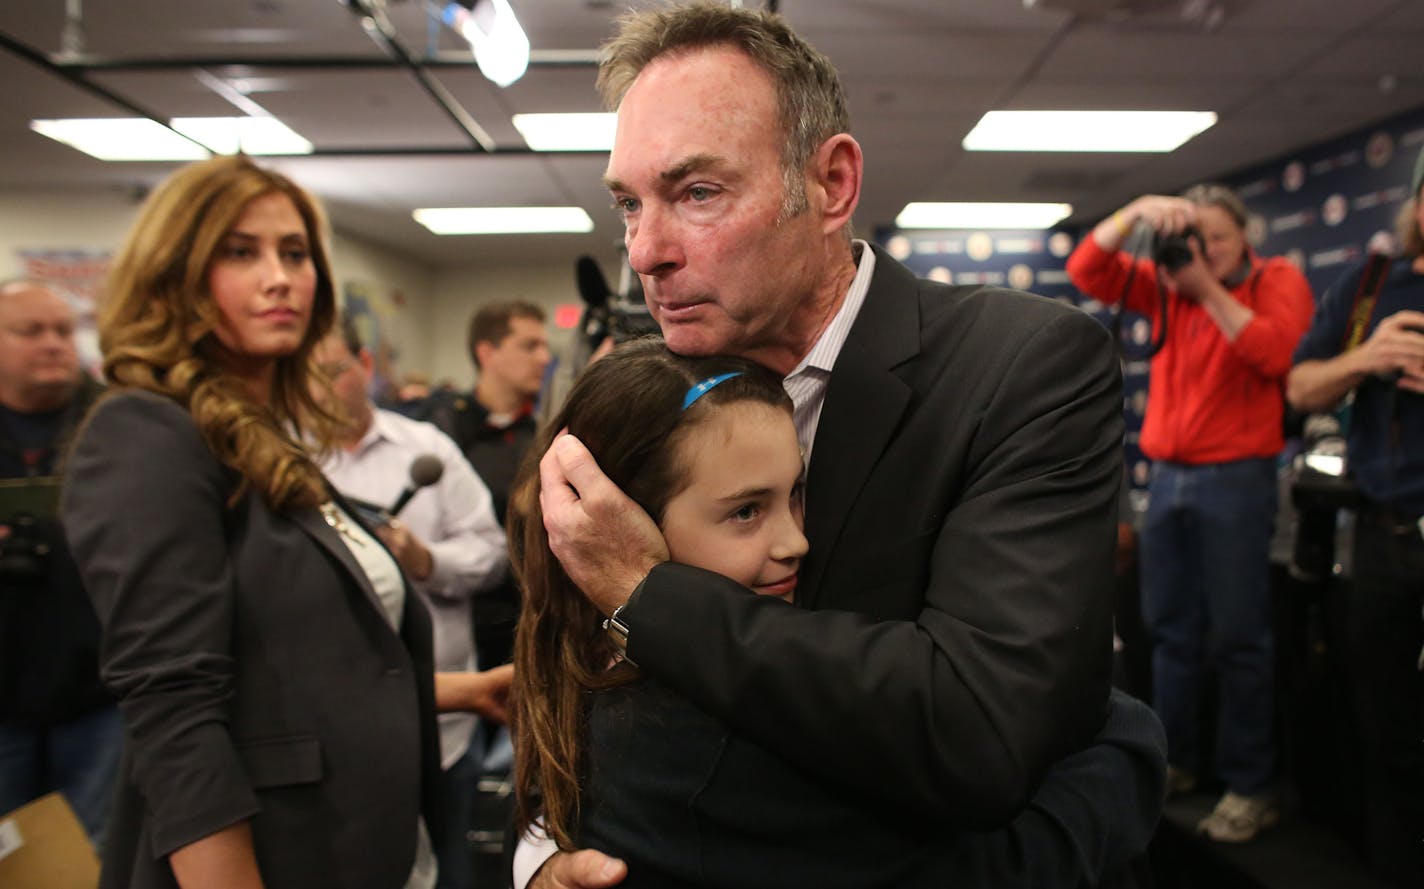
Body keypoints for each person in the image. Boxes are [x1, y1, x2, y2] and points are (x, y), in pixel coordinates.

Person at [525, 4, 1162, 886]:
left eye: (697, 193)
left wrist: (651, 593)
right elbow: (562, 659)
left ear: (830, 184)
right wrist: (540, 849)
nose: (646, 250)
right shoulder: (655, 389)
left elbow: (977, 727)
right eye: (629, 203)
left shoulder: (1019, 366)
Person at [512, 338, 1166, 889]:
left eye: (796, 494)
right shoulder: (709, 746)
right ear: (618, 523)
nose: (795, 539)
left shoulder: (591, 660)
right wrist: (1126, 740)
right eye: (745, 511)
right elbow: (1007, 870)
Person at [61, 154, 445, 889]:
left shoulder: (265, 436)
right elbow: (174, 707)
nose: (280, 277)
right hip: (267, 856)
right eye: (241, 252)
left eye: (295, 253)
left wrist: (463, 688)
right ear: (175, 274)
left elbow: (290, 657)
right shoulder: (147, 433)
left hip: (365, 845)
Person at [1066, 183, 1314, 842]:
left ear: (1245, 239)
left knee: (1238, 636)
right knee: (1170, 632)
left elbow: (1276, 355)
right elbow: (1087, 268)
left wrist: (1207, 288)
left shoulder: (1275, 280)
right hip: (1170, 480)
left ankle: (1250, 782)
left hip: (1237, 479)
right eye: (1193, 238)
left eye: (1219, 239)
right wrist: (1136, 212)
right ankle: (1175, 759)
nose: (1202, 250)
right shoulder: (1168, 284)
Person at [313, 317, 509, 889]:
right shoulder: (287, 459)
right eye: (303, 378)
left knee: (450, 869)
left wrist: (425, 562)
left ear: (365, 366)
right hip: (330, 733)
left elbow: (492, 555)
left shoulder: (427, 453)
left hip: (443, 726)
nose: (319, 392)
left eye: (331, 373)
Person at [1284, 146, 1424, 888]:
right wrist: (1366, 359)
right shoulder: (1371, 284)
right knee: (1388, 730)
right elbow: (1302, 386)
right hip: (1385, 537)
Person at [0, 279, 121, 847]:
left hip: (98, 686)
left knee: (90, 851)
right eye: (31, 331)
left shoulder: (114, 425)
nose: (53, 344)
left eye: (63, 331)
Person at [429, 299, 551, 675]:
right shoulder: (440, 431)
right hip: (457, 620)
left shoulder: (542, 433)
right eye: (529, 346)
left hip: (527, 622)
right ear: (487, 352)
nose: (544, 358)